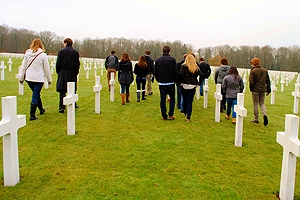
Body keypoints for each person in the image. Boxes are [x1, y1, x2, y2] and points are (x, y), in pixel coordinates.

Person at [19, 38, 52, 121]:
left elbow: (23, 67)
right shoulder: (43, 55)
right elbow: (46, 69)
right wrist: (49, 79)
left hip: (29, 78)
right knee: (36, 94)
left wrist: (21, 77)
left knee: (36, 93)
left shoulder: (27, 54)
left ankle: (41, 109)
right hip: (38, 78)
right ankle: (32, 114)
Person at [56, 38, 80, 113]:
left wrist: (59, 72)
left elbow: (58, 64)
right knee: (72, 89)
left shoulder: (61, 52)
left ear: (66, 43)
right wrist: (75, 73)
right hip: (71, 72)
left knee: (62, 90)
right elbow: (77, 64)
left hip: (63, 72)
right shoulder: (75, 52)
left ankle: (61, 107)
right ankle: (74, 103)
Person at [154, 46, 177, 120]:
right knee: (172, 99)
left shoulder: (158, 60)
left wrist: (158, 79)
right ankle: (171, 114)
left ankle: (164, 115)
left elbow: (155, 71)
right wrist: (175, 80)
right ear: (169, 51)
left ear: (162, 51)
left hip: (162, 83)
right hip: (170, 82)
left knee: (162, 99)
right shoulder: (172, 60)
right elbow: (175, 71)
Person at [178, 54, 203, 122]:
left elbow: (180, 75)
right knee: (189, 102)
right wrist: (198, 83)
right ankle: (188, 117)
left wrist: (179, 83)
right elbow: (201, 75)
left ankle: (185, 112)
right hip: (192, 86)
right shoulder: (196, 67)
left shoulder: (183, 66)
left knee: (184, 100)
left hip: (184, 85)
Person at [249, 57, 271, 126]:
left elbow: (251, 82)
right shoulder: (264, 70)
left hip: (255, 90)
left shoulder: (253, 71)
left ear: (254, 64)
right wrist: (268, 89)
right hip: (263, 89)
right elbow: (268, 81)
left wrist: (251, 89)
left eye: (252, 63)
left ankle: (256, 118)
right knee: (262, 103)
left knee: (255, 103)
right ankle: (264, 114)